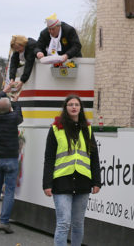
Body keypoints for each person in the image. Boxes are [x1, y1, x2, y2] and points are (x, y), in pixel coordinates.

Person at [43, 95, 102, 246]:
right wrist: (47, 183)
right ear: (65, 108)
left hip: (82, 181)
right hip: (62, 181)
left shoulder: (87, 129)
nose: (74, 107)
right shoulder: (56, 129)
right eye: (70, 104)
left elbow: (94, 157)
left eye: (76, 104)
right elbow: (49, 158)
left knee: (78, 224)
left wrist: (97, 181)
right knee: (63, 223)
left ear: (81, 108)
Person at [0, 84, 23, 234]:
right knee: (9, 191)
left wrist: (3, 91)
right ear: (10, 109)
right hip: (11, 159)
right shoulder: (14, 118)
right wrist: (16, 100)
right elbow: (19, 114)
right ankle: (5, 221)